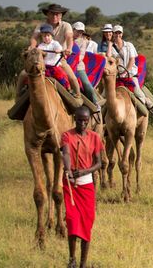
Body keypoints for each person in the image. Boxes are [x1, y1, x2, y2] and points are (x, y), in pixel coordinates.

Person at [61, 106, 104, 268]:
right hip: (71, 184)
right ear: (75, 119)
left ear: (89, 121)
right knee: (72, 221)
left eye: (86, 121)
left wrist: (84, 171)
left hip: (87, 185)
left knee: (87, 223)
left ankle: (83, 263)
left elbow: (99, 163)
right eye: (79, 120)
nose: (82, 124)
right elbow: (65, 153)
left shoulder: (94, 138)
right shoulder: (66, 135)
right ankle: (72, 259)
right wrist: (68, 169)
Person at [16, 3, 80, 97]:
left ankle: (77, 97)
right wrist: (32, 46)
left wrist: (69, 48)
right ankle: (18, 98)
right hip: (41, 60)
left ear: (61, 15)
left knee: (73, 78)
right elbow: (34, 37)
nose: (55, 16)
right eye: (52, 13)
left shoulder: (66, 26)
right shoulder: (41, 26)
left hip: (58, 59)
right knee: (23, 75)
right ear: (47, 14)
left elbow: (69, 37)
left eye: (57, 14)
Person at [112, 25, 152, 110]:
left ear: (122, 34)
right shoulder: (111, 48)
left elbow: (132, 60)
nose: (117, 35)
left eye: (119, 33)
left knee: (137, 92)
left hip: (130, 75)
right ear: (113, 34)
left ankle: (146, 106)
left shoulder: (129, 45)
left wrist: (125, 72)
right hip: (117, 77)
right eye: (115, 33)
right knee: (106, 95)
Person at [72, 22, 101, 111]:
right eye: (77, 31)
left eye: (81, 32)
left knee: (86, 84)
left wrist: (73, 60)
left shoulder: (82, 41)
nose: (79, 33)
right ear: (72, 30)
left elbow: (81, 55)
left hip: (78, 66)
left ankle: (95, 103)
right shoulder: (66, 38)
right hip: (64, 64)